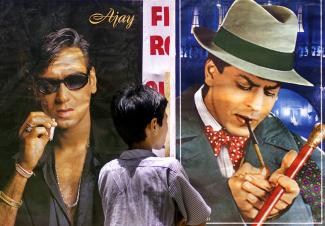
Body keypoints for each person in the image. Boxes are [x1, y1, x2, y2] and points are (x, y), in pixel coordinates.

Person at [176, 0, 321, 224]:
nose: (256, 105)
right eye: (244, 86)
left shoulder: (307, 160)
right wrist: (226, 208)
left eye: (270, 92)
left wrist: (280, 211)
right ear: (211, 72)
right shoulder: (156, 134)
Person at [0, 28, 123, 226]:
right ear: (35, 90)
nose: (62, 97)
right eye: (49, 85)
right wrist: (23, 168)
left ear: (92, 81)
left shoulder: (125, 151)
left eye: (75, 81)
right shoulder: (11, 159)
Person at [99, 84, 211, 226]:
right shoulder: (167, 169)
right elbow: (199, 217)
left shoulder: (107, 172)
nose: (167, 126)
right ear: (154, 125)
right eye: (165, 119)